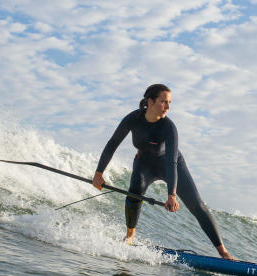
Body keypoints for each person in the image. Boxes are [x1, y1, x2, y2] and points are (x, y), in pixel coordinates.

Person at [92, 84, 234, 260]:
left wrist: (171, 195)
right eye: (163, 102)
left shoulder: (168, 126)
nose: (168, 107)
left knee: (197, 205)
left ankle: (223, 252)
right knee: (134, 190)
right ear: (150, 102)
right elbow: (112, 143)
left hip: (172, 164)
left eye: (169, 103)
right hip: (144, 164)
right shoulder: (133, 119)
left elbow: (171, 161)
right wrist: (99, 173)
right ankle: (130, 236)